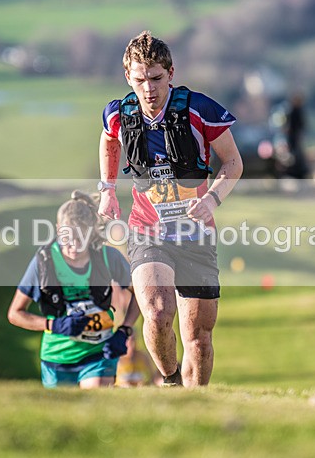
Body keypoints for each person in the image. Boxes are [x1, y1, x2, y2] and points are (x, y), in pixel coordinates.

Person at [97, 31, 243, 387]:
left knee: (198, 338)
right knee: (159, 313)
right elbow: (109, 140)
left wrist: (211, 199)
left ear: (171, 73)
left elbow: (233, 163)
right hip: (147, 230)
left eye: (157, 78)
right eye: (140, 79)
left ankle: (196, 401)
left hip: (195, 233)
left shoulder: (199, 110)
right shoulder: (119, 114)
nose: (148, 88)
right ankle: (170, 380)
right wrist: (108, 190)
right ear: (128, 77)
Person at [7, 191, 140, 389]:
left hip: (99, 353)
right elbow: (15, 314)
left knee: (95, 402)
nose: (75, 245)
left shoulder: (107, 257)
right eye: (67, 237)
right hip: (56, 357)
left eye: (82, 237)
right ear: (58, 229)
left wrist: (124, 330)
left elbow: (141, 293)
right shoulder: (44, 262)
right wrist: (54, 325)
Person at [283, 93, 309, 180]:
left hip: (295, 139)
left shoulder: (297, 111)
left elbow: (300, 126)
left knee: (297, 156)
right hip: (292, 139)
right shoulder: (292, 111)